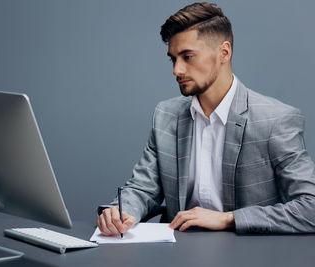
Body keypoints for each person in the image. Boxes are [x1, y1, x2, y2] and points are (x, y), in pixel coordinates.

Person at [97, 2, 315, 235]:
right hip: (176, 251)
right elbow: (142, 188)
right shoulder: (165, 116)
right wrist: (120, 212)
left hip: (248, 253)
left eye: (187, 56)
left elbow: (311, 206)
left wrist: (229, 219)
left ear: (224, 52)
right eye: (173, 59)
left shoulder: (275, 120)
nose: (176, 70)